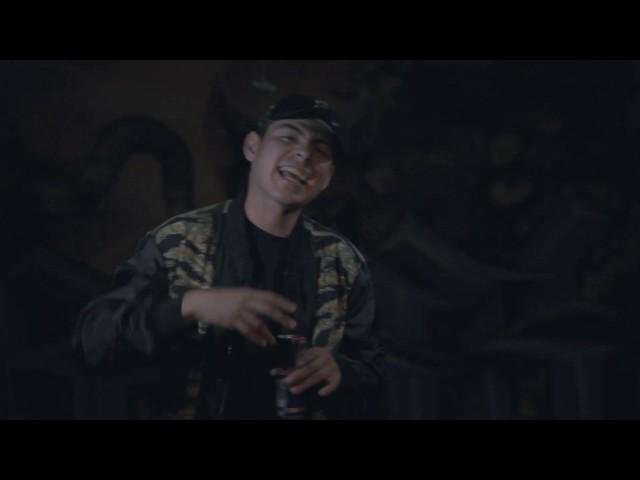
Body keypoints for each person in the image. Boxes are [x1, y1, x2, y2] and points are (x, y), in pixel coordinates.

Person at [72, 95, 385, 419]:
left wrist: (341, 372)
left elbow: (373, 377)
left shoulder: (343, 263)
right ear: (252, 147)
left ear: (328, 176)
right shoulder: (179, 241)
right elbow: (93, 343)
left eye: (321, 150)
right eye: (288, 137)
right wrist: (190, 306)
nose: (304, 154)